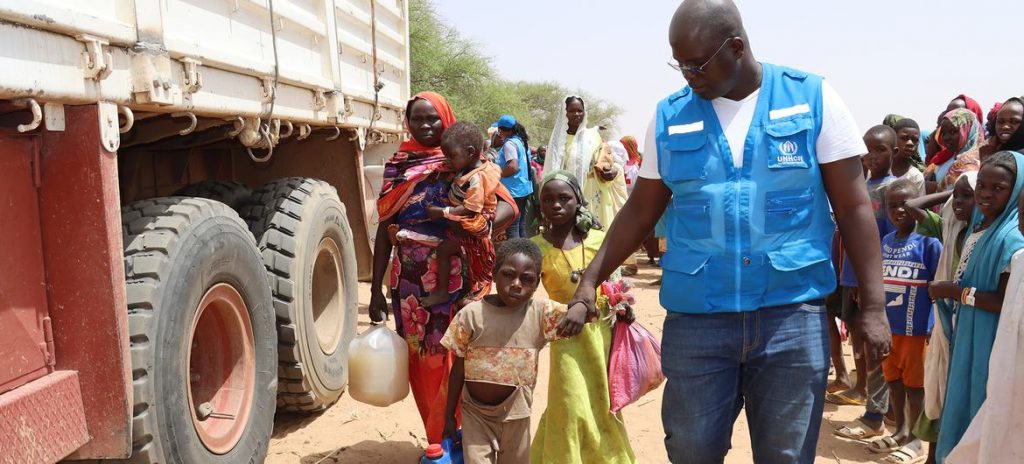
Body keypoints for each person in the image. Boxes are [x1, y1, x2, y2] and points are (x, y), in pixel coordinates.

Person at [564, 1, 892, 461]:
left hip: (790, 317)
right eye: (679, 64)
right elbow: (639, 211)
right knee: (692, 451)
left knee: (787, 454)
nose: (687, 76)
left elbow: (855, 205)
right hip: (699, 320)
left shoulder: (813, 98)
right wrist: (589, 280)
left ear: (736, 47)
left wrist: (874, 306)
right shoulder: (669, 115)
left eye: (697, 64)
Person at [368, 92, 517, 444]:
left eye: (432, 118)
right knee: (425, 361)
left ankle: (471, 438)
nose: (424, 125)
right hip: (410, 283)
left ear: (446, 118)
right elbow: (383, 229)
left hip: (460, 279)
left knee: (463, 357)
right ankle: (439, 440)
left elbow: (509, 208)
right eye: (417, 118)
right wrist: (375, 289)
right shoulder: (399, 165)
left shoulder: (467, 162)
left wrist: (475, 233)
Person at [440, 239, 589, 464]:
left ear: (537, 282)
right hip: (475, 415)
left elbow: (581, 314)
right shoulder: (471, 315)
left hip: (518, 415)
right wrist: (449, 415)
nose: (517, 284)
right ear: (494, 274)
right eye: (508, 274)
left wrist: (584, 306)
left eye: (527, 279)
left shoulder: (541, 314)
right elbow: (458, 368)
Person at [530, 171, 636, 463]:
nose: (556, 205)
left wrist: (624, 305)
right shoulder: (537, 247)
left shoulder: (601, 239)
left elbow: (616, 286)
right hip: (565, 334)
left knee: (603, 402)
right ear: (540, 206)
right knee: (570, 402)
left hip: (602, 333)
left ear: (578, 200)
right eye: (548, 200)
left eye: (564, 198)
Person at [929, 151, 1024, 462]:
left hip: (992, 339)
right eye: (982, 185)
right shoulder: (979, 227)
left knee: (980, 407)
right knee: (960, 404)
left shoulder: (1012, 239)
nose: (986, 193)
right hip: (968, 331)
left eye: (998, 188)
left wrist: (954, 293)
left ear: (1017, 190)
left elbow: (1001, 302)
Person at [906, 171, 978, 464]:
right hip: (947, 319)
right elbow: (913, 206)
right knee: (939, 384)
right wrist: (950, 192)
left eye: (966, 196)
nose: (959, 202)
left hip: (971, 322)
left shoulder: (984, 234)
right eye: (956, 197)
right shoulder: (948, 226)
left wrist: (951, 291)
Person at [830, 126, 898, 432]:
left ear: (894, 153)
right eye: (867, 150)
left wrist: (872, 286)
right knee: (859, 343)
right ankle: (868, 399)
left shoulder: (893, 190)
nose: (872, 156)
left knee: (877, 346)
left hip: (875, 281)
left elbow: (886, 239)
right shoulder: (859, 186)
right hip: (849, 274)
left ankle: (880, 413)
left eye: (880, 150)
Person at [869, 179, 943, 463]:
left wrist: (933, 323)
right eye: (893, 206)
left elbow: (937, 288)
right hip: (889, 329)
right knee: (894, 381)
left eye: (905, 205)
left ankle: (915, 440)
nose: (899, 211)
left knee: (916, 387)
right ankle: (899, 430)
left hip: (915, 329)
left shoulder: (929, 244)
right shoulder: (886, 242)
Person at [420, 122, 502, 308]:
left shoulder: (476, 178)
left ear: (471, 152)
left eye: (452, 156)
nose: (448, 160)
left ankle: (444, 293)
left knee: (446, 252)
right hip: (462, 227)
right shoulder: (467, 169)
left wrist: (442, 212)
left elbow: (471, 209)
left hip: (472, 231)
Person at [544, 96, 628, 229]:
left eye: (580, 110)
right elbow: (551, 172)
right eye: (572, 111)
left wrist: (613, 170)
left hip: (595, 191)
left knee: (596, 236)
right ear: (564, 113)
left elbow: (606, 161)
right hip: (569, 194)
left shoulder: (593, 136)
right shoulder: (558, 141)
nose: (577, 114)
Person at [494, 115, 534, 239]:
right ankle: (525, 252)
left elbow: (513, 167)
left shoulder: (509, 144)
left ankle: (515, 253)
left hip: (513, 191)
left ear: (502, 130)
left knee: (512, 226)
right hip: (523, 189)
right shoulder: (520, 141)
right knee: (521, 224)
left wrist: (496, 174)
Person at [925, 108, 982, 191]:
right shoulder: (945, 156)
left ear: (967, 130)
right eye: (943, 133)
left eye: (952, 132)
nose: (946, 138)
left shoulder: (973, 161)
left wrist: (935, 188)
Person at [893, 118, 927, 196]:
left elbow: (918, 205)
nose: (910, 143)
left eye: (915, 140)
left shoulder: (915, 176)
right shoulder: (878, 169)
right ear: (893, 138)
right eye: (904, 138)